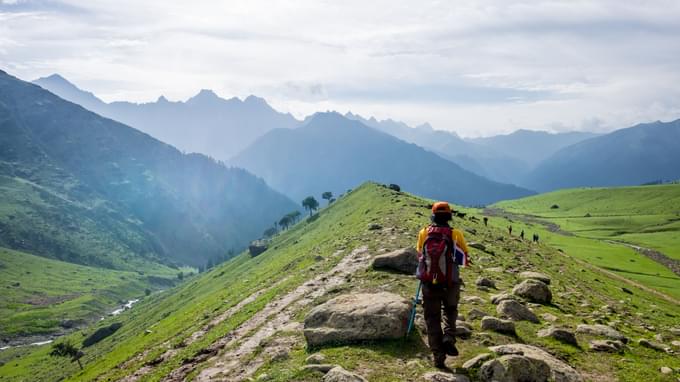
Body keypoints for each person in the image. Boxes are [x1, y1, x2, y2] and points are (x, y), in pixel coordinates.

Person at [416, 202, 469, 369]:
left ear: (432, 215)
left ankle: (438, 356)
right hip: (450, 283)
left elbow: (420, 255)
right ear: (449, 216)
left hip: (429, 284)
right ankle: (449, 337)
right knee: (450, 310)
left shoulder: (424, 232)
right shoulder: (456, 234)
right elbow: (464, 259)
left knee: (432, 318)